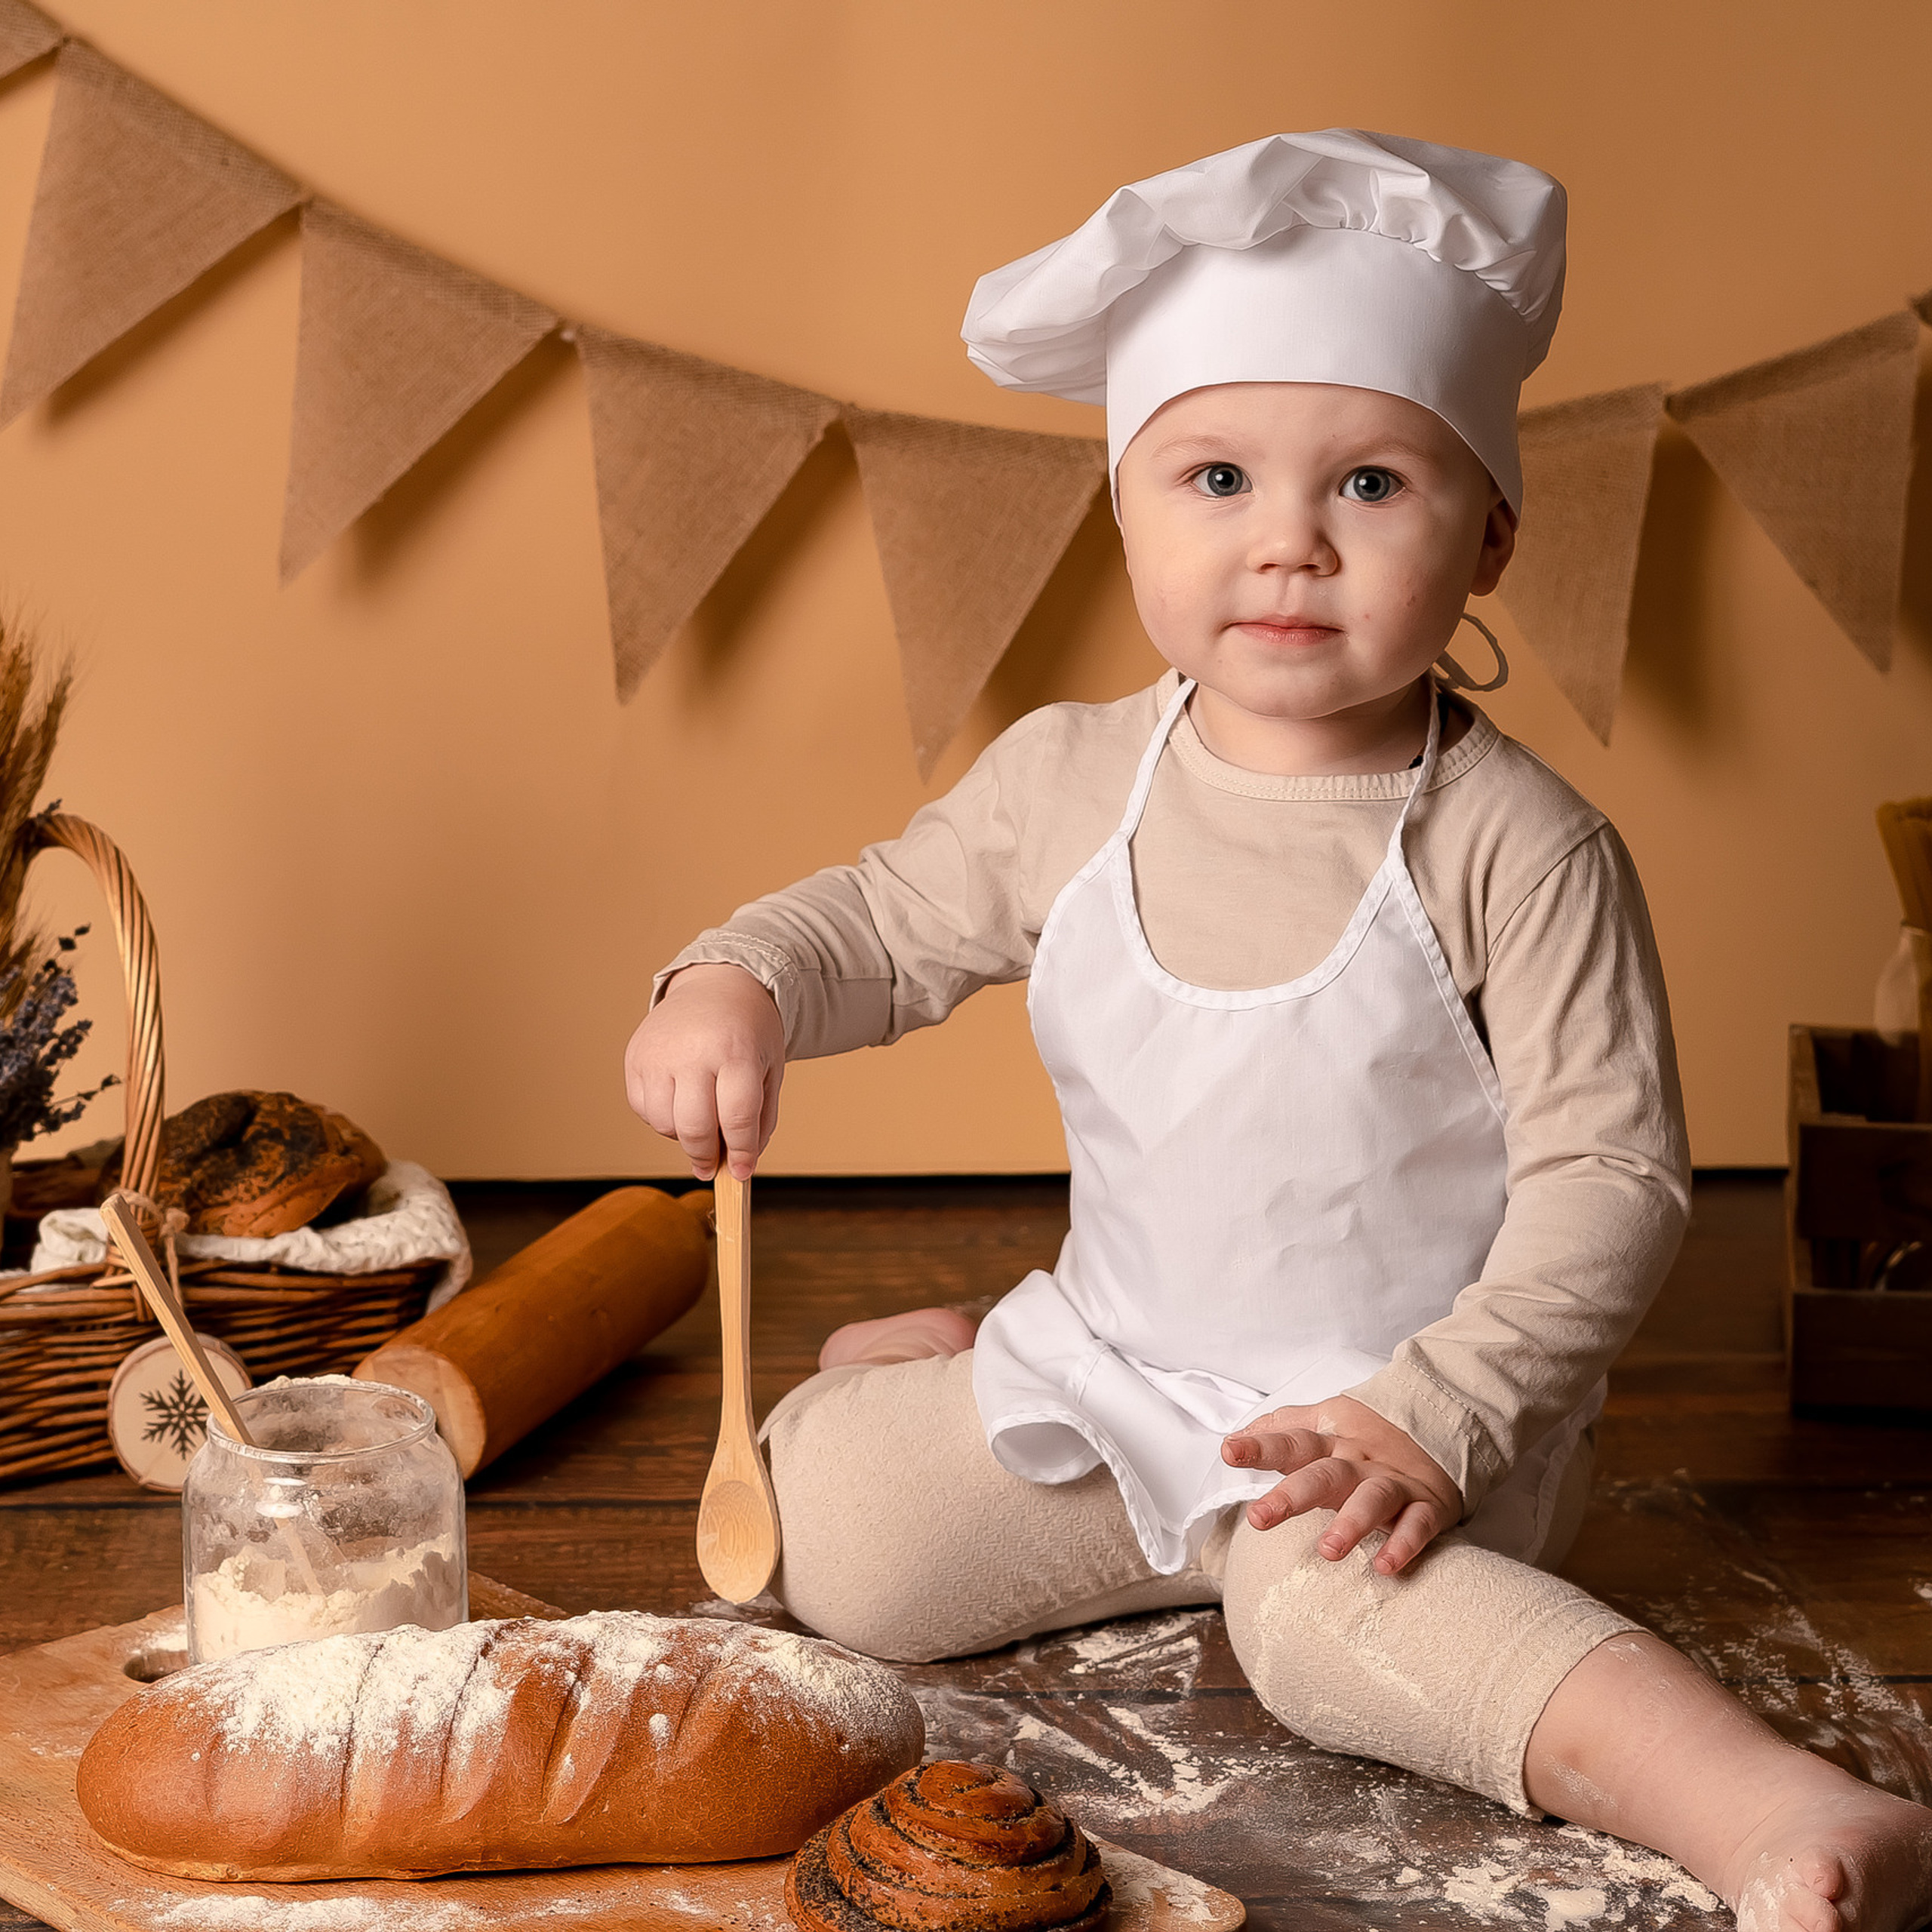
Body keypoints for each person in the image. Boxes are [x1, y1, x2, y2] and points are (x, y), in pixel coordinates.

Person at [625, 132, 1932, 1932]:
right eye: (1216, 475)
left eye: (1372, 483)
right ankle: (953, 1368)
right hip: (1121, 1363)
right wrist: (736, 979)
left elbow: (1611, 1183)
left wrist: (1437, 1414)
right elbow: (876, 920)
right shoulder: (1073, 781)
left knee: (1309, 1623)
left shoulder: (1520, 846)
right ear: (1126, 511)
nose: (1286, 543)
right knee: (838, 1541)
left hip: (1400, 1426)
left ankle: (1764, 1801)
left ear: (1486, 535)